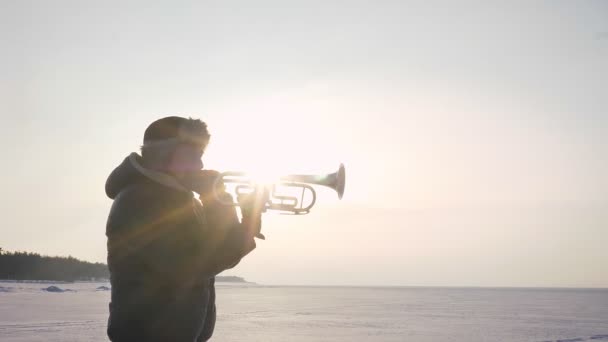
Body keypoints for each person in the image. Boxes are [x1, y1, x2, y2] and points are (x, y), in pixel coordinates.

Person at [104, 116, 264, 341]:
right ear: (164, 155)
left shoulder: (180, 200)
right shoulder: (139, 201)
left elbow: (218, 248)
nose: (200, 166)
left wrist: (248, 218)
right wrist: (217, 201)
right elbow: (193, 267)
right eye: (193, 156)